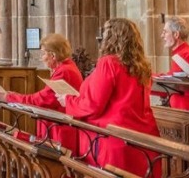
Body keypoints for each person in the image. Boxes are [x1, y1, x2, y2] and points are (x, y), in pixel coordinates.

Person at [56, 18, 161, 177]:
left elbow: (94, 105)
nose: (102, 37)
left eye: (105, 33)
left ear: (112, 36)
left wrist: (68, 100)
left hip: (115, 138)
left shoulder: (109, 62)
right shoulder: (142, 65)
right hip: (142, 137)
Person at [0, 34, 82, 152]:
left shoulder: (65, 71)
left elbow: (41, 100)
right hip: (56, 125)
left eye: (43, 53)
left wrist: (10, 97)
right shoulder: (65, 68)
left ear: (53, 55)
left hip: (59, 129)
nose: (42, 57)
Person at [158, 16, 189, 111]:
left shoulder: (186, 54)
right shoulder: (182, 53)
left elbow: (174, 85)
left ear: (176, 34)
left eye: (165, 32)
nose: (162, 35)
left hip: (187, 109)